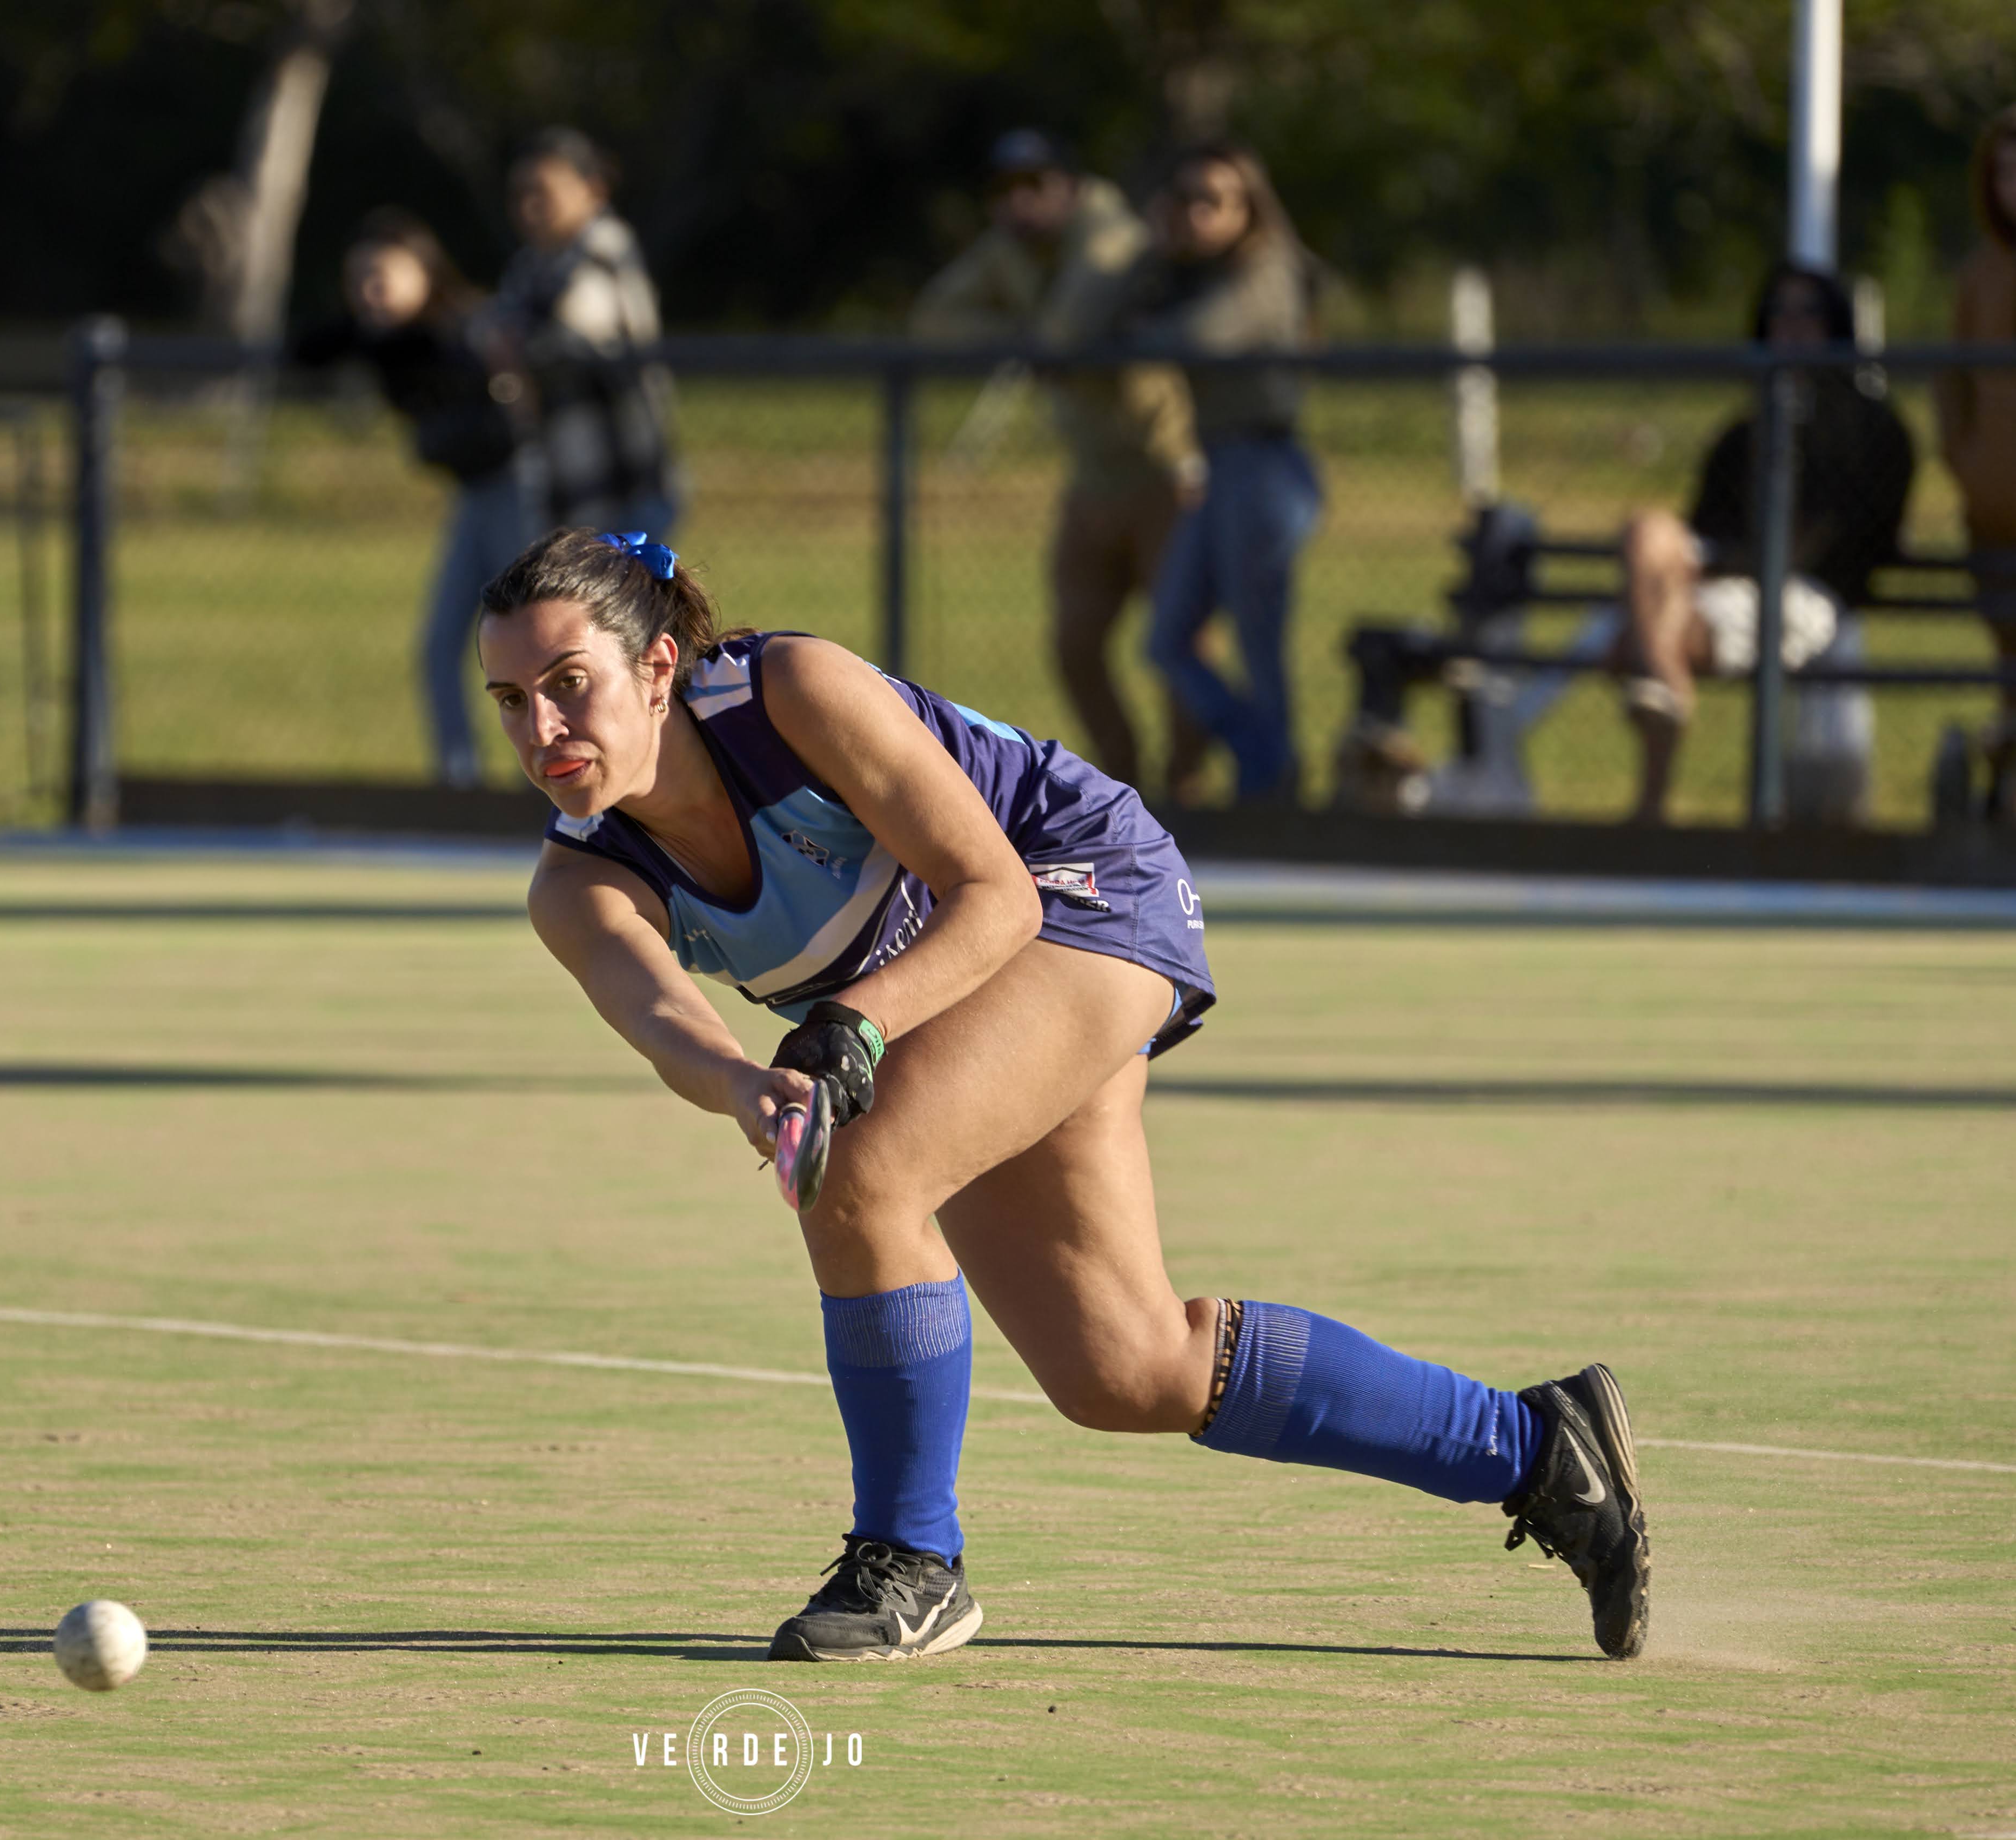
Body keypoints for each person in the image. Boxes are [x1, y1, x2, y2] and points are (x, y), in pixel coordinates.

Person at [476, 524, 1651, 1664]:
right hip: (942, 997)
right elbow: (666, 1024)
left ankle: (911, 1561)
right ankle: (1539, 1449)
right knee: (1125, 1369)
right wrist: (748, 1082)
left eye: (568, 682)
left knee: (866, 1177)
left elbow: (995, 896)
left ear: (658, 667)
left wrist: (856, 1021)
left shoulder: (788, 693)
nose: (543, 727)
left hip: (1080, 887)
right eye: (511, 700)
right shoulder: (577, 880)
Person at [912, 129, 1201, 791]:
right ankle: (1125, 780)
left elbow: (1066, 334)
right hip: (1090, 477)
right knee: (1075, 646)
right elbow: (934, 319)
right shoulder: (1010, 248)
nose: (1020, 202)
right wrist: (1023, 341)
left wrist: (1039, 345)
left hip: (1166, 469)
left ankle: (1189, 786)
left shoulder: (1108, 235)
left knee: (1179, 646)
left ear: (1069, 187)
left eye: (1036, 186)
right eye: (1005, 191)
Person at [1615, 264, 1914, 823]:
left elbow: (1842, 540)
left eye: (1809, 314)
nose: (1792, 327)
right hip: (1721, 586)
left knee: (1651, 629)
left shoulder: (1870, 430)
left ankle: (1652, 783)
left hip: (1804, 594)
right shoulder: (1743, 433)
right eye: (1779, 313)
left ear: (1836, 327)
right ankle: (1663, 697)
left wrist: (1731, 564)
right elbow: (1702, 528)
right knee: (1644, 534)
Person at [294, 209, 536, 787]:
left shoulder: (463, 331)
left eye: (383, 276)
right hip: (474, 498)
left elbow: (507, 415)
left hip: (522, 492)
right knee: (438, 649)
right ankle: (460, 788)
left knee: (535, 648)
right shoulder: (382, 337)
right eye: (359, 280)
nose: (368, 292)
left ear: (425, 273)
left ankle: (556, 791)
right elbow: (307, 350)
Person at [1115, 143, 1323, 804]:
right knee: (1168, 637)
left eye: (1213, 202)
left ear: (1249, 209)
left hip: (1266, 468)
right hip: (1219, 466)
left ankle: (1272, 786)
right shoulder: (1183, 270)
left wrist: (1146, 327)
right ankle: (1266, 758)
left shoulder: (1269, 267)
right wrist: (1154, 245)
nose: (1196, 215)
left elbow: (1196, 338)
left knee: (1257, 643)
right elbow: (1116, 321)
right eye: (1185, 201)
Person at [494, 128, 682, 536]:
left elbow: (573, 332)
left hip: (626, 483)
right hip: (563, 481)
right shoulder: (531, 267)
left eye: (544, 191)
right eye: (520, 193)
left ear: (593, 190)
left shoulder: (605, 248)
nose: (529, 206)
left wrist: (513, 354)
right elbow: (496, 338)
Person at [1937, 104, 2016, 819]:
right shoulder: (1979, 275)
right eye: (2003, 170)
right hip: (1994, 515)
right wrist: (1967, 463)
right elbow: (1952, 384)